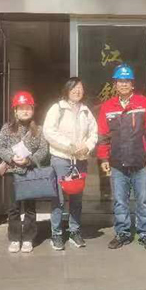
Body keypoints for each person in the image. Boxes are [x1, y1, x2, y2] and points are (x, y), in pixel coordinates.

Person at [97, 64, 146, 251]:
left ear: (132, 84)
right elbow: (103, 136)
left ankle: (145, 234)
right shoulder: (108, 106)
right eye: (120, 81)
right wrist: (104, 159)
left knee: (143, 201)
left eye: (127, 81)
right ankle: (123, 233)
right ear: (115, 84)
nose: (123, 84)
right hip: (117, 163)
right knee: (119, 201)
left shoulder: (144, 103)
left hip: (141, 163)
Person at [43, 77, 98, 251]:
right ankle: (57, 234)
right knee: (58, 199)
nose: (77, 91)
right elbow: (49, 131)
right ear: (67, 90)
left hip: (80, 160)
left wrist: (87, 146)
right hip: (61, 159)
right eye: (74, 88)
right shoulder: (57, 108)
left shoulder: (86, 111)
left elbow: (94, 132)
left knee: (77, 198)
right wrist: (70, 146)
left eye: (80, 87)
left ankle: (75, 231)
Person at [0, 91, 49, 254]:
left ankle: (28, 238)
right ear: (15, 111)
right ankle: (14, 237)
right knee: (13, 207)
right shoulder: (7, 128)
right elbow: (0, 147)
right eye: (22, 108)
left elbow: (43, 150)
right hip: (12, 172)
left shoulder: (38, 130)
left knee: (30, 207)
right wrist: (11, 157)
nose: (25, 111)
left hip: (30, 172)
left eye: (28, 108)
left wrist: (29, 160)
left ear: (33, 110)